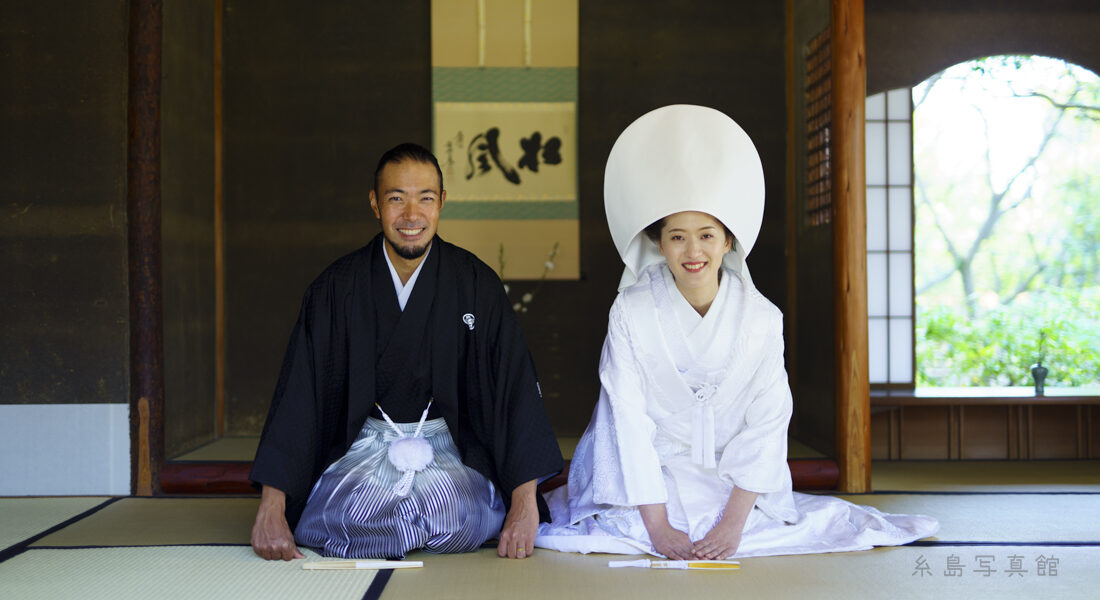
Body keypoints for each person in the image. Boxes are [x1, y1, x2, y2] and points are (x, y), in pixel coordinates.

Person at [535, 105, 938, 559]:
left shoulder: (761, 319)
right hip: (650, 471)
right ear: (658, 242)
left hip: (730, 473)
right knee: (628, 529)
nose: (693, 251)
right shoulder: (631, 311)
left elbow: (768, 421)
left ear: (728, 241)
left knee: (740, 530)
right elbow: (624, 420)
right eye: (677, 236)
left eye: (707, 235)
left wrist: (731, 525)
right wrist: (659, 526)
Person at [250, 143, 563, 561]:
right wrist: (272, 507)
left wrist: (524, 504)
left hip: (449, 448)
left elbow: (514, 389)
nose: (412, 216)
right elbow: (299, 394)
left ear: (442, 203)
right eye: (397, 198)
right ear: (375, 204)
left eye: (425, 199)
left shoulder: (475, 283)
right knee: (347, 518)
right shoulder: (337, 288)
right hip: (363, 446)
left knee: (456, 514)